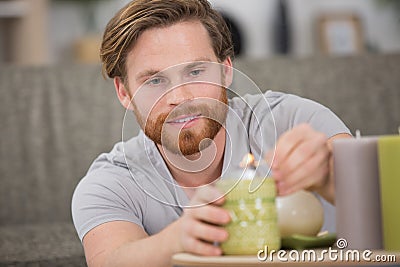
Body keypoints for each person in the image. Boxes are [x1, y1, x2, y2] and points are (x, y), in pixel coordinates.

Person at [71, 0, 351, 266]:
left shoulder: (293, 120)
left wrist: (329, 179)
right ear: (124, 92)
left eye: (195, 71)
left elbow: (388, 206)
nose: (180, 97)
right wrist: (176, 241)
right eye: (155, 80)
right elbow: (110, 260)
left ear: (226, 71)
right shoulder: (110, 183)